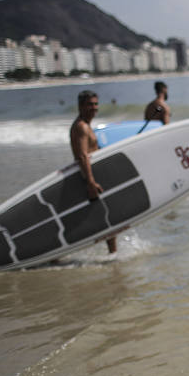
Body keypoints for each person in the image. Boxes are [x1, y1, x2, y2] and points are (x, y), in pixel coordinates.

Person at [70, 90, 117, 254]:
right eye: (90, 104)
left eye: (96, 104)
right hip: (87, 179)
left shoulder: (85, 125)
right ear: (80, 106)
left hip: (91, 177)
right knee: (107, 219)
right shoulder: (82, 126)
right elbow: (83, 156)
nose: (94, 108)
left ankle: (112, 254)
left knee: (106, 218)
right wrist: (90, 183)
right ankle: (113, 257)